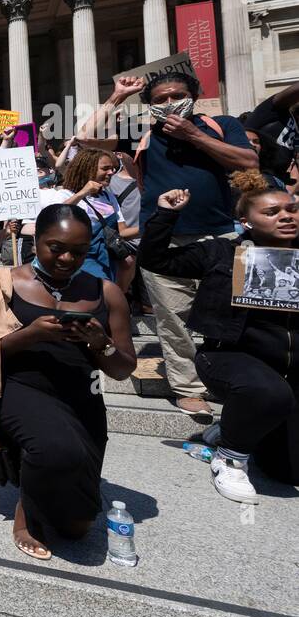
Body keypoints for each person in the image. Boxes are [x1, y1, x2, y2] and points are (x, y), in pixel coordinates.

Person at [0, 204, 136, 560]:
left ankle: (41, 483)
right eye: (56, 247)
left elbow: (123, 368)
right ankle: (27, 518)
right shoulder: (1, 284)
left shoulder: (106, 291)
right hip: (21, 387)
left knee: (77, 527)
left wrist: (100, 344)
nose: (67, 257)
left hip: (81, 396)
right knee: (57, 450)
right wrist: (30, 335)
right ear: (36, 242)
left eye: (79, 251)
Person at [139, 176, 299, 500]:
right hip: (232, 358)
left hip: (289, 367)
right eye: (271, 212)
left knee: (287, 472)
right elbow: (156, 260)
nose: (285, 216)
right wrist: (165, 216)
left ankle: (234, 427)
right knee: (267, 391)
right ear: (245, 222)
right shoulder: (222, 252)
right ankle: (230, 458)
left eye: (292, 209)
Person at [132, 71, 258, 419]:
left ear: (194, 95)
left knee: (232, 313)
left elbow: (248, 162)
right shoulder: (141, 135)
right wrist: (114, 97)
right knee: (173, 318)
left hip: (222, 236)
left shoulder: (222, 124)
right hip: (164, 240)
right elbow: (86, 138)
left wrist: (194, 136)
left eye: (177, 95)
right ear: (150, 106)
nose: (170, 102)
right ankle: (188, 388)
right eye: (160, 99)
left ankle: (232, 378)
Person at [61, 148, 140, 291]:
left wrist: (149, 228)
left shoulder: (109, 197)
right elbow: (56, 214)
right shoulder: (66, 194)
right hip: (83, 259)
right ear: (87, 169)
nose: (111, 173)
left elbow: (121, 232)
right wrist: (83, 193)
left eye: (113, 169)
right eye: (105, 168)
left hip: (107, 259)